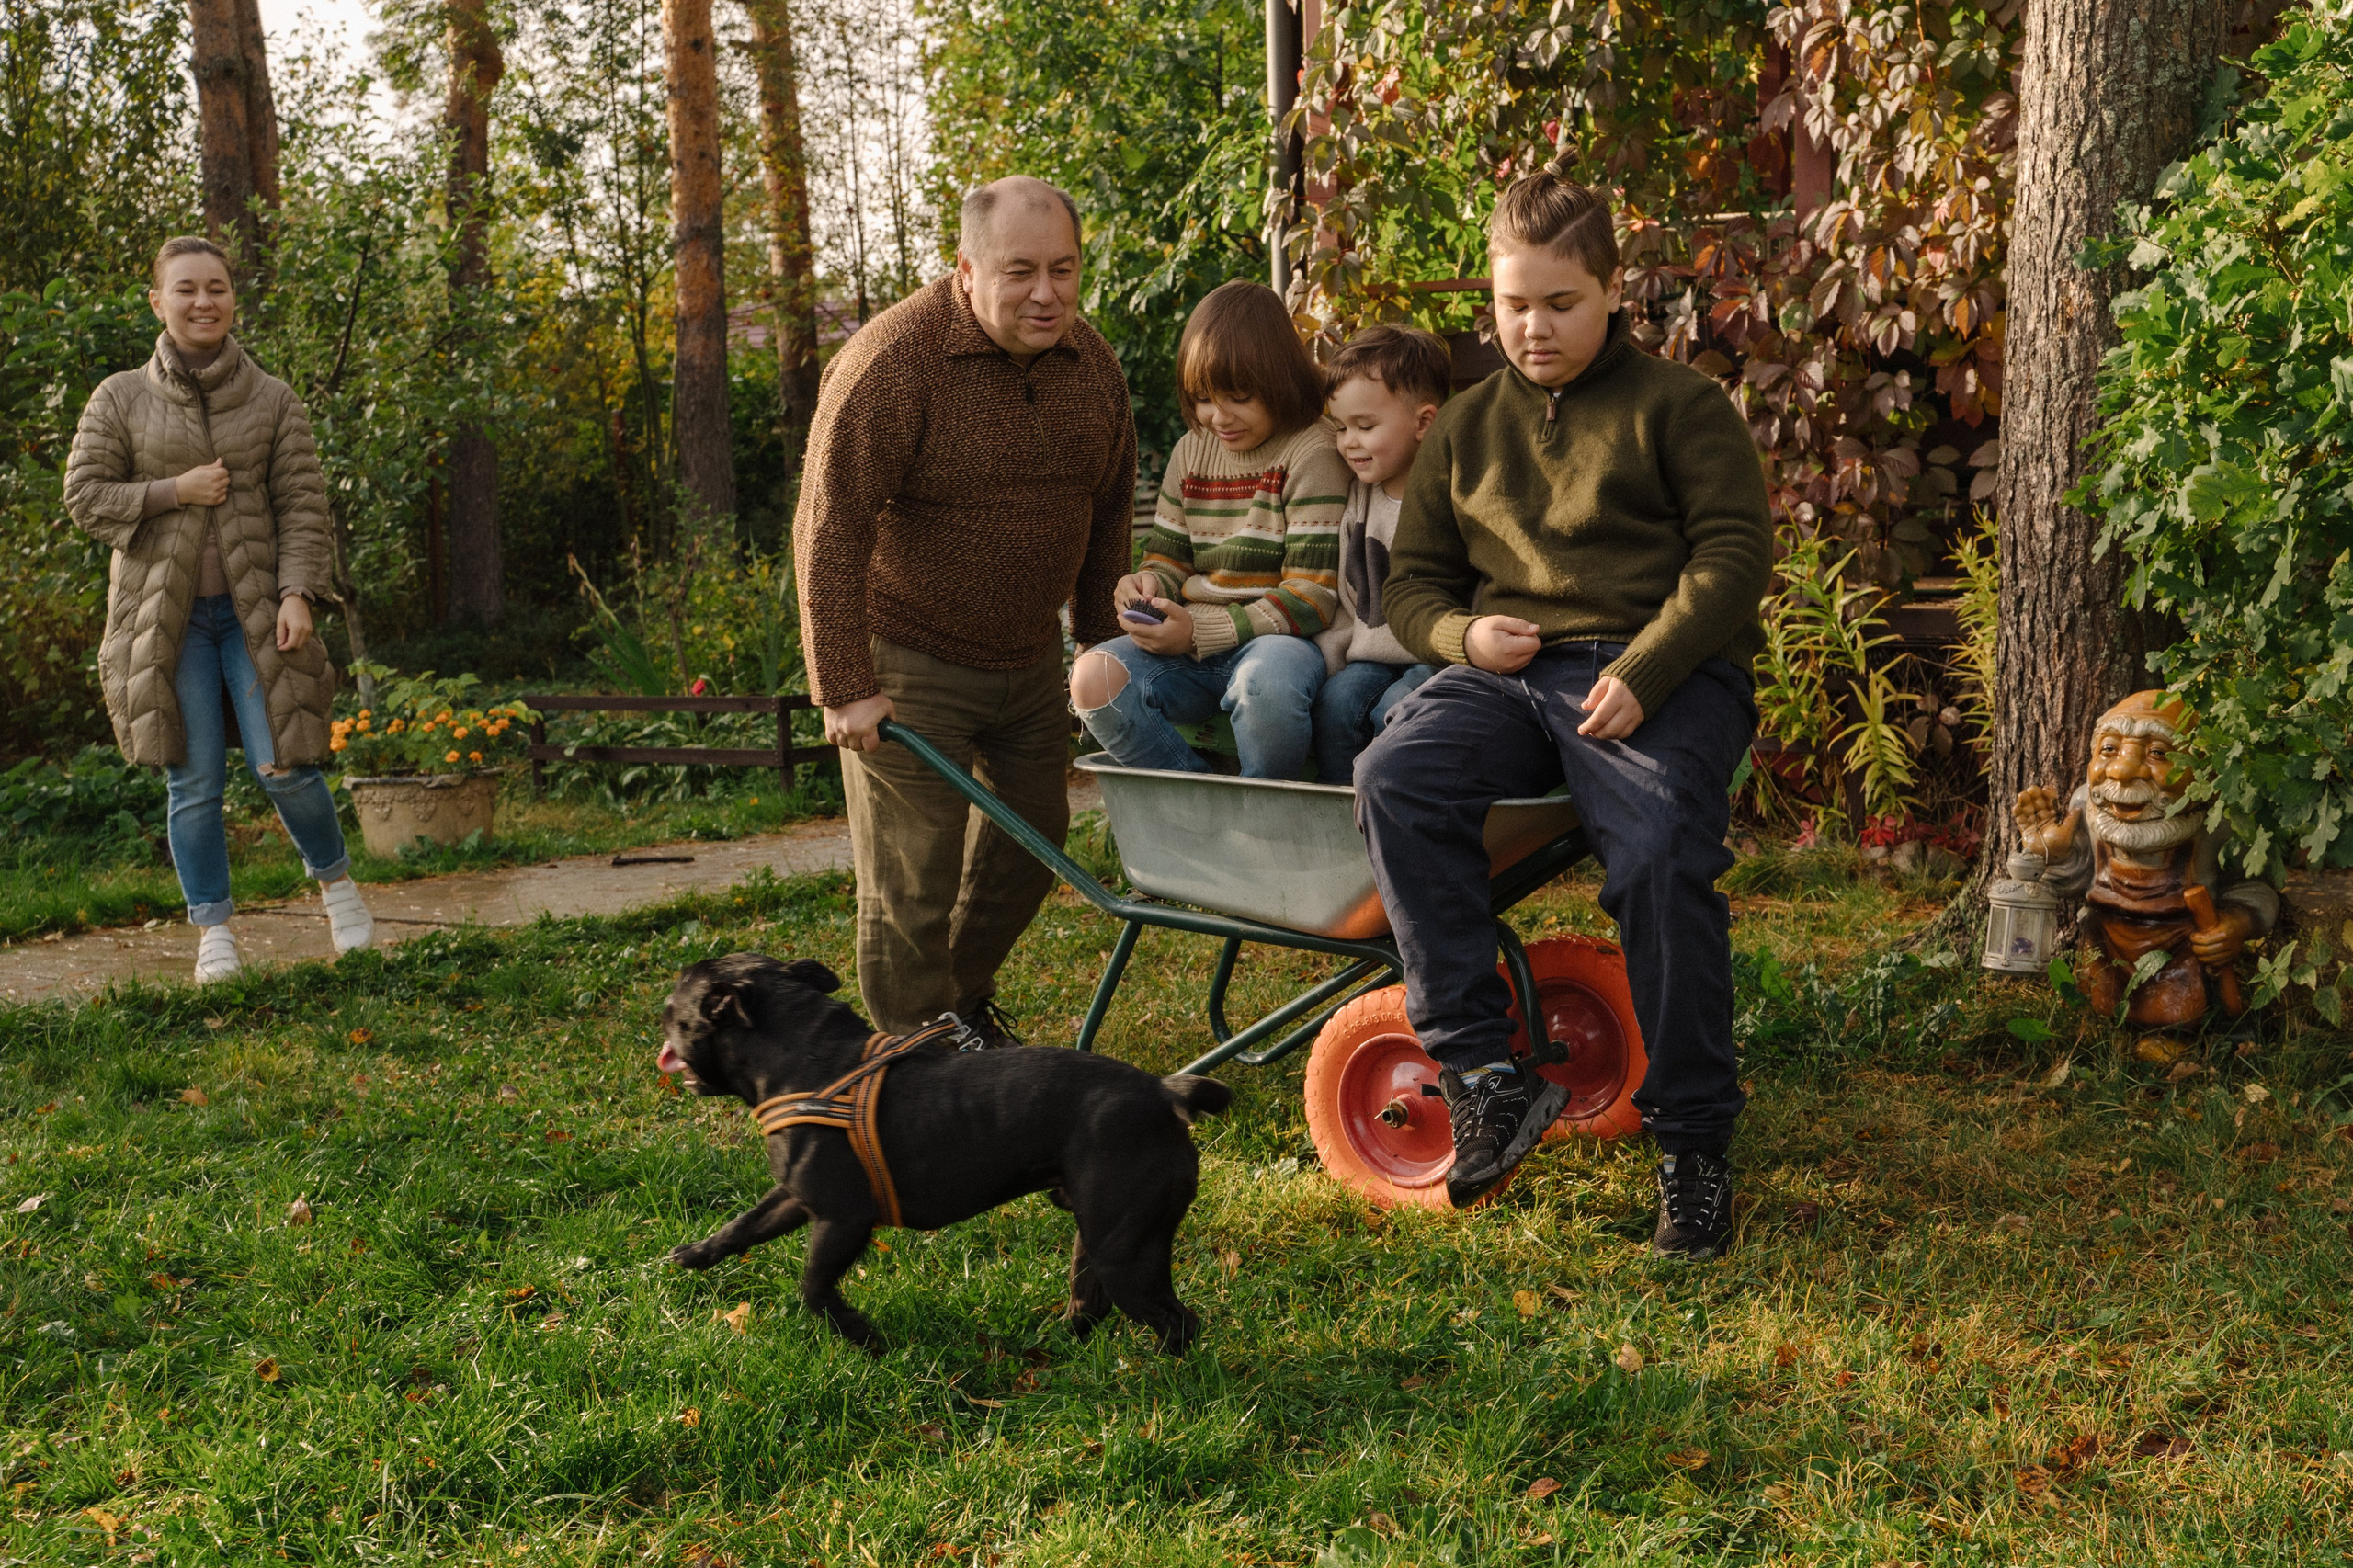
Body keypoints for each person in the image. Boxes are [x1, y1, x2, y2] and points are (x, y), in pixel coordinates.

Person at [1356, 160, 1772, 1250]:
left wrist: (1646, 667)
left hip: (1663, 671)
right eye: (1510, 305)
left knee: (1660, 851)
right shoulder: (1465, 425)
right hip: (1509, 670)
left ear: (1610, 289)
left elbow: (1733, 556)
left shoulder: (1681, 407)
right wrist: (1461, 637)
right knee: (1394, 774)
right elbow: (1411, 588)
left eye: (1559, 302)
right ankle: (1487, 1072)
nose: (1532, 327)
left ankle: (1691, 1144)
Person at [795, 176, 1136, 1043]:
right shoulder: (894, 363)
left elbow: (1109, 514)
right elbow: (829, 524)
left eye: (1064, 269)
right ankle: (914, 1054)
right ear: (966, 269)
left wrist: (1102, 654)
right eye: (1021, 271)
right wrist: (843, 683)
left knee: (1035, 842)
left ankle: (954, 1005)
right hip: (908, 657)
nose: (1047, 293)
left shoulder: (1090, 365)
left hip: (1027, 660)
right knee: (917, 868)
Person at [63, 235, 375, 983]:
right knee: (194, 779)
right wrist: (176, 490)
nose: (203, 301)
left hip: (257, 616)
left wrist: (298, 591)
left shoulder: (273, 400)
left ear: (233, 298)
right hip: (165, 629)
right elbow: (84, 496)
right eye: (186, 289)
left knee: (286, 766)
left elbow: (304, 506)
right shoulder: (119, 397)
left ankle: (337, 887)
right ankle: (215, 935)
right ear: (158, 302)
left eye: (217, 288)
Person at [1070, 280, 1350, 780]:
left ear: (1279, 380)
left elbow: (1312, 595)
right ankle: (1200, 808)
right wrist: (1150, 585)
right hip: (1190, 644)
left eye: (1238, 397)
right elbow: (1171, 558)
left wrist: (1200, 631)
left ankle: (1263, 817)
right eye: (1202, 399)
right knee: (1094, 678)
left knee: (1265, 686)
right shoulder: (1190, 451)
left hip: (1280, 643)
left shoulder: (1313, 451)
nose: (1217, 417)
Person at [1311, 324, 1449, 784]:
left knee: (1397, 713)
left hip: (1435, 655)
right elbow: (1348, 593)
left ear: (1424, 423)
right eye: (1341, 427)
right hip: (1370, 656)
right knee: (1337, 706)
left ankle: (1393, 810)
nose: (1349, 441)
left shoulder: (1450, 495)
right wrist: (1333, 661)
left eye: (1365, 427)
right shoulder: (1359, 500)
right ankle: (1337, 814)